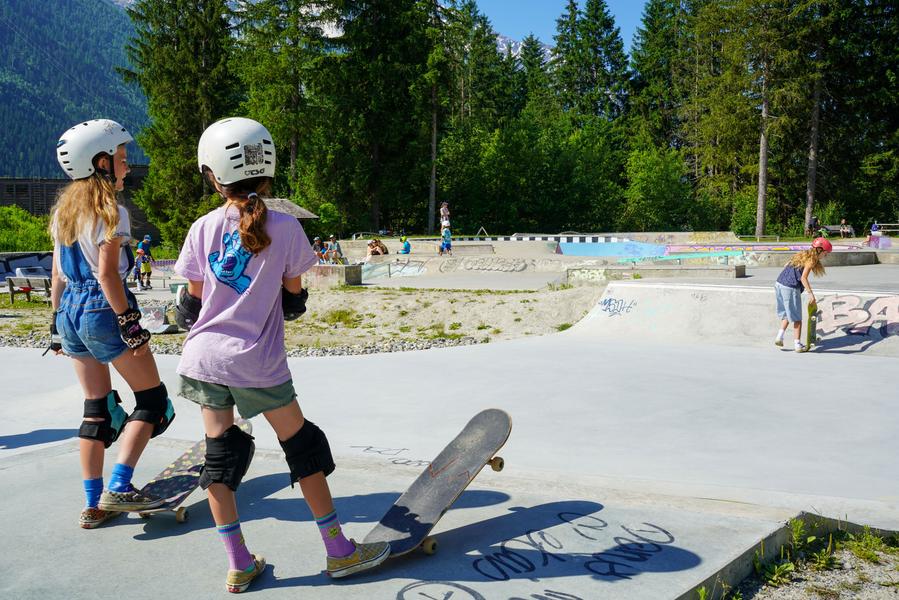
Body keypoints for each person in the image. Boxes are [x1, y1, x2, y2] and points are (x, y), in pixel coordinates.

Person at [173, 117, 389, 593]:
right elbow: (293, 298)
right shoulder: (288, 227)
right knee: (303, 447)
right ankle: (339, 551)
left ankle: (238, 563)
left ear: (212, 175)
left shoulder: (201, 227)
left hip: (204, 358)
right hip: (256, 361)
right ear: (267, 169)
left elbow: (190, 302)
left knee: (220, 458)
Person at [48, 119, 176, 529]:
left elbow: (58, 276)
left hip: (69, 311)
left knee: (97, 409)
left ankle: (92, 503)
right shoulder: (112, 211)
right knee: (154, 402)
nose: (127, 166)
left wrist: (54, 326)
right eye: (121, 158)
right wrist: (130, 322)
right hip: (105, 309)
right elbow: (107, 276)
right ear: (101, 162)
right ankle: (119, 485)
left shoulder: (63, 214)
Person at [773, 237, 831, 352]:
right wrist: (811, 294)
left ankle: (779, 337)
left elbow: (786, 265)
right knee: (797, 319)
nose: (826, 256)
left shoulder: (802, 254)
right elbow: (803, 277)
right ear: (820, 250)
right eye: (826, 253)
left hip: (779, 283)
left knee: (786, 313)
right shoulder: (811, 260)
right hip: (790, 287)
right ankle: (797, 345)